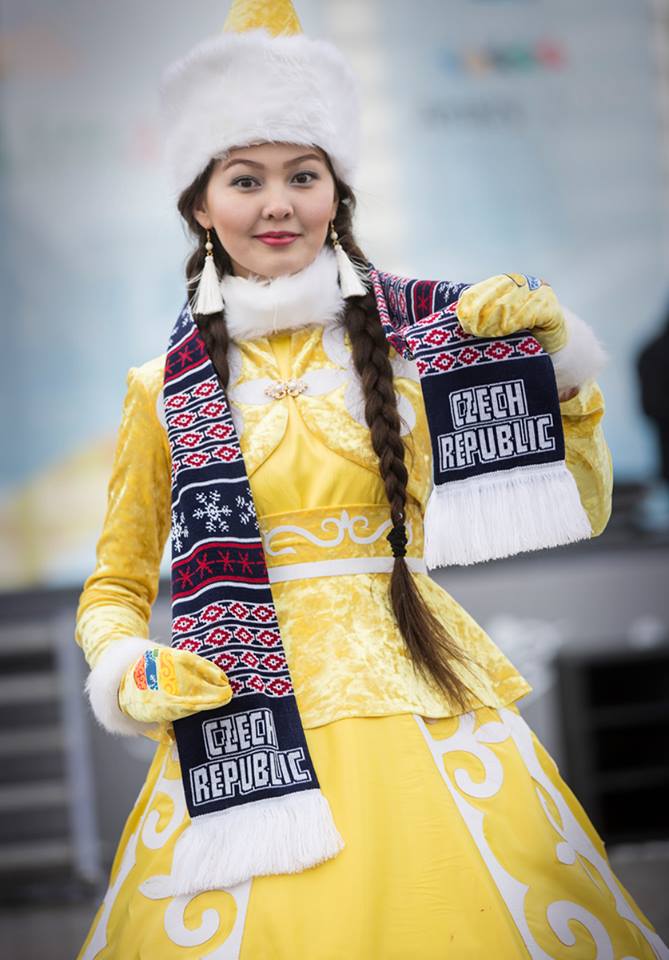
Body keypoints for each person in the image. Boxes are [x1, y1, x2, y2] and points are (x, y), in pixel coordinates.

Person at [75, 2, 668, 957]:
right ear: (201, 206)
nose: (278, 203)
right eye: (246, 179)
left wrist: (556, 373)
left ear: (336, 194)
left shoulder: (417, 350)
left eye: (302, 176)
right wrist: (126, 666)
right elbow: (115, 584)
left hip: (421, 691)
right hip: (240, 718)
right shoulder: (159, 391)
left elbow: (584, 505)